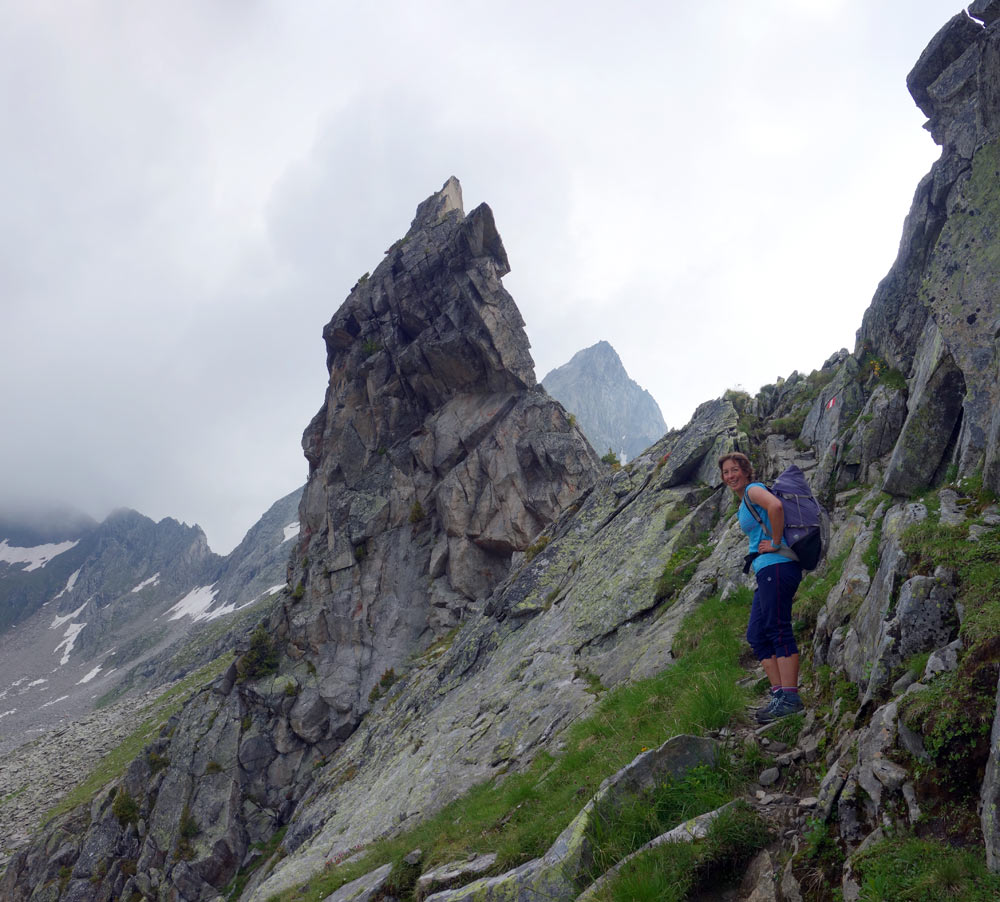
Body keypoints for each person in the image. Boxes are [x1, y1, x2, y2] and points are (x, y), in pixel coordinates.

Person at [719, 452, 804, 723]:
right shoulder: (745, 500)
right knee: (757, 634)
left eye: (734, 470)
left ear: (745, 471)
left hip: (777, 565)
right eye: (725, 472)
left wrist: (776, 541)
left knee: (778, 628)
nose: (730, 476)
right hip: (766, 570)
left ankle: (790, 698)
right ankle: (779, 695)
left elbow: (776, 507)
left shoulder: (754, 490)